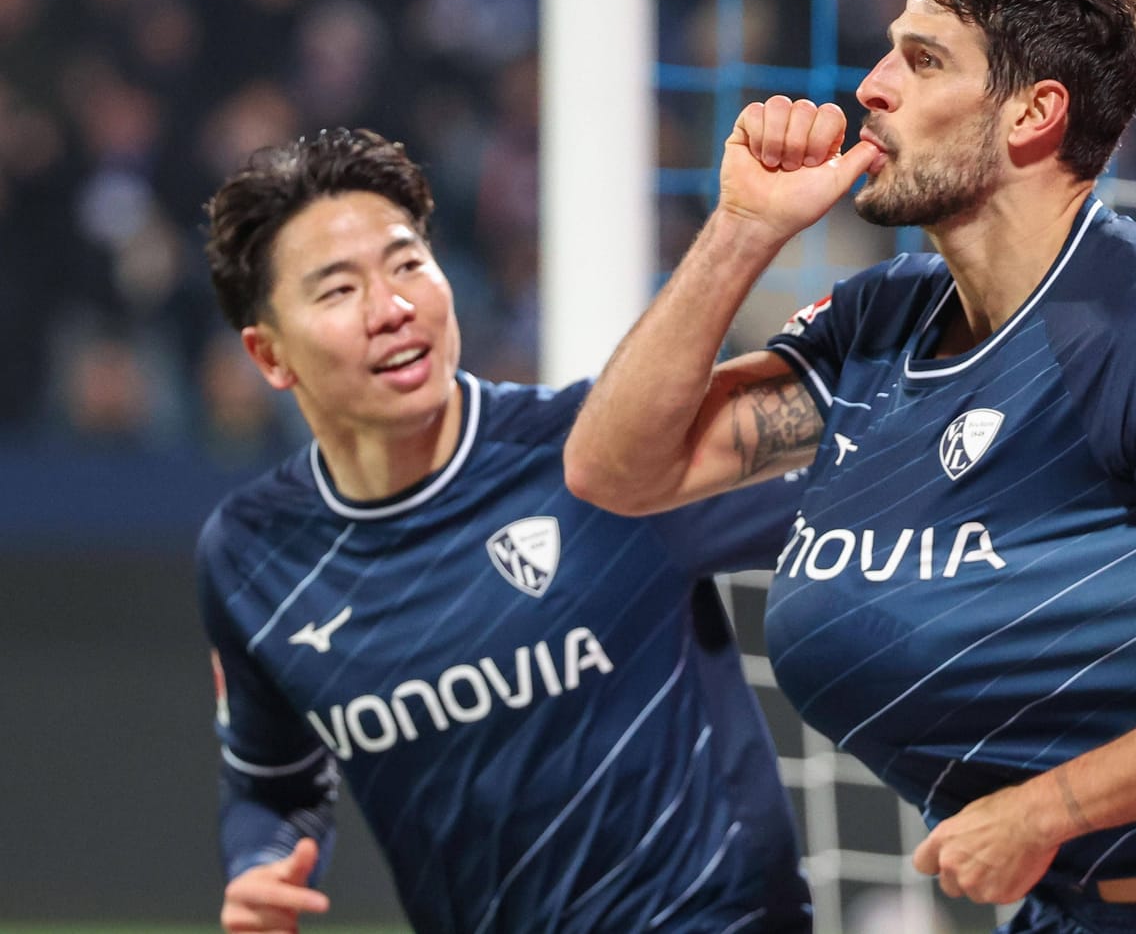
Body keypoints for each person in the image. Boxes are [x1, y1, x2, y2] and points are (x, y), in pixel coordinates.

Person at [563, 0, 1136, 931]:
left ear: (1033, 112)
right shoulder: (877, 325)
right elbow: (617, 468)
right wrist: (742, 231)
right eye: (889, 51)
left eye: (923, 59)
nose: (872, 86)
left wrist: (1045, 811)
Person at [197, 128, 811, 934]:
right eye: (339, 290)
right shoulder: (253, 555)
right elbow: (271, 784)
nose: (393, 309)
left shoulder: (603, 453)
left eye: (407, 263)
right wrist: (260, 863)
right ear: (269, 355)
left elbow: (877, 476)